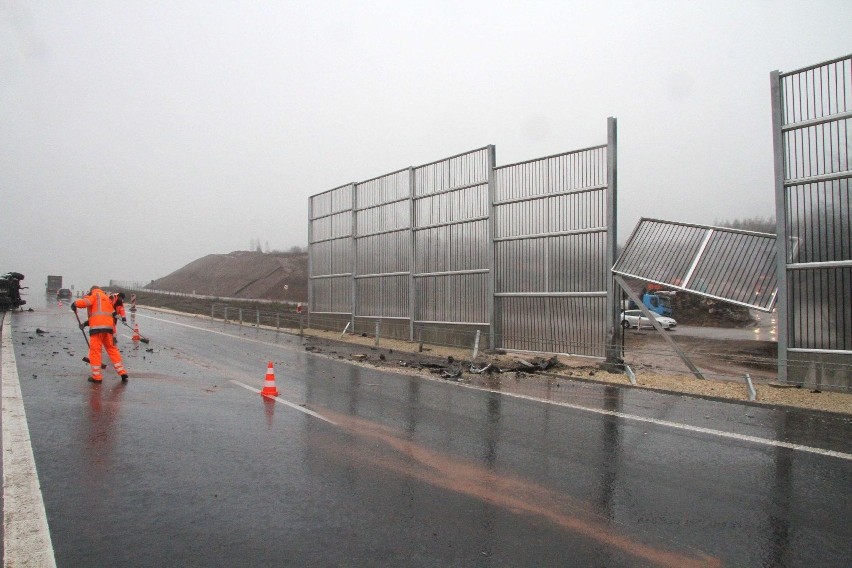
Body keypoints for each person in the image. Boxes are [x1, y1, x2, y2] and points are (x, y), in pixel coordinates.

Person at [73, 285, 128, 383]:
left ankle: (96, 377)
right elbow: (101, 314)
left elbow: (86, 302)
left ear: (91, 291)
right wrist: (85, 324)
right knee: (112, 349)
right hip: (108, 328)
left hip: (97, 329)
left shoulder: (95, 295)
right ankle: (122, 372)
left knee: (95, 351)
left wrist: (75, 303)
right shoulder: (106, 298)